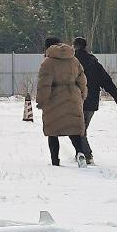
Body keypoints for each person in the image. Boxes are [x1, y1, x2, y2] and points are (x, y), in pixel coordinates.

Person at [35, 37, 90, 167]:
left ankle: (55, 161)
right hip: (73, 97)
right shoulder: (74, 60)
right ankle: (80, 152)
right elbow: (82, 80)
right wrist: (82, 95)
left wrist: (41, 101)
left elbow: (44, 85)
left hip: (54, 99)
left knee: (52, 132)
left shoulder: (48, 63)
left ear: (47, 47)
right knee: (74, 129)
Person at [73, 36, 117, 165]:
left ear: (74, 46)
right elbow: (107, 82)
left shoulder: (71, 62)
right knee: (81, 129)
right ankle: (80, 153)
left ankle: (86, 155)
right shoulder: (94, 63)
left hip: (74, 101)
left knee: (77, 129)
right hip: (91, 101)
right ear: (85, 47)